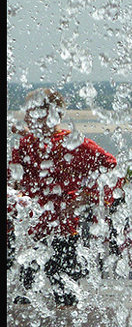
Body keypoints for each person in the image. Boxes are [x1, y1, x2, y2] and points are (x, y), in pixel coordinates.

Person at [8, 88, 118, 306]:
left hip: (64, 230)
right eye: (28, 111)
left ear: (53, 113)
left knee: (65, 297)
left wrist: (86, 197)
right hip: (32, 231)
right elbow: (12, 181)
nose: (28, 116)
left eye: (33, 110)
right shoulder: (25, 144)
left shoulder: (75, 143)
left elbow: (111, 167)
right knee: (23, 298)